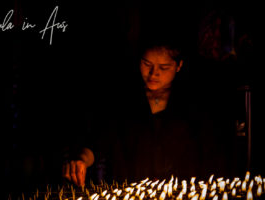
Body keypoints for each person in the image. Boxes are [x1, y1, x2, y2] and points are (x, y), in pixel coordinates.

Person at [62, 37, 235, 186]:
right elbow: (99, 142)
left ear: (179, 66)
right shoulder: (122, 102)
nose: (153, 73)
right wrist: (82, 160)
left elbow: (214, 155)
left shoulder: (195, 106)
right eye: (147, 64)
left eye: (164, 67)